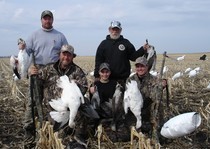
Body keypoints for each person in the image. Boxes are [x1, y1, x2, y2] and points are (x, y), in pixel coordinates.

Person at [26, 44, 88, 148]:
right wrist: (30, 73)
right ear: (59, 55)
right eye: (64, 54)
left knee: (84, 106)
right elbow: (36, 82)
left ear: (73, 57)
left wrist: (76, 87)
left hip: (68, 110)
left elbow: (84, 88)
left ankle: (78, 138)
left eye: (69, 55)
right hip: (50, 110)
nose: (66, 58)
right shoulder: (48, 69)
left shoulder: (78, 72)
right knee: (58, 134)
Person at [23, 10, 68, 144]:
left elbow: (65, 54)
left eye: (49, 18)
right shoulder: (33, 35)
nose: (47, 21)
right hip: (37, 71)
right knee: (33, 102)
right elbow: (25, 54)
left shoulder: (60, 36)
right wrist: (29, 69)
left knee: (54, 101)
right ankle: (29, 133)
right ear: (41, 20)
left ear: (52, 20)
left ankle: (53, 131)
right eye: (45, 19)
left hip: (54, 72)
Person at [94, 20, 150, 87]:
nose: (115, 31)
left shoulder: (126, 43)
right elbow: (98, 61)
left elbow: (133, 57)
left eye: (117, 29)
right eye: (113, 29)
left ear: (120, 30)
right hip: (108, 79)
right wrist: (97, 75)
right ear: (109, 29)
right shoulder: (103, 44)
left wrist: (142, 49)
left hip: (123, 79)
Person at [125, 56, 165, 141]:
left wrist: (162, 86)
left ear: (147, 66)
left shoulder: (155, 80)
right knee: (129, 133)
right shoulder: (130, 80)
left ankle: (155, 127)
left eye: (142, 66)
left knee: (158, 106)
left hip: (148, 111)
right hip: (134, 111)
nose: (140, 68)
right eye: (137, 66)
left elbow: (156, 99)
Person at [89, 63, 128, 142]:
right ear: (99, 73)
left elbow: (121, 97)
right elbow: (92, 104)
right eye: (102, 72)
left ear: (110, 73)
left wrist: (119, 89)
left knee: (125, 136)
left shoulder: (115, 84)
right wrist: (90, 92)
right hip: (103, 119)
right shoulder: (95, 85)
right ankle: (97, 129)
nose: (105, 74)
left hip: (115, 117)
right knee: (111, 138)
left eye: (107, 72)